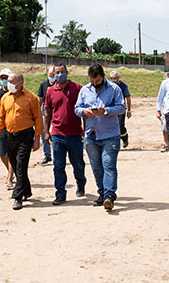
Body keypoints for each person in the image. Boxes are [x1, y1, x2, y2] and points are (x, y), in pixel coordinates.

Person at [75, 64, 126, 212]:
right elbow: (77, 108)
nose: (95, 84)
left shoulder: (114, 89)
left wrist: (106, 111)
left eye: (97, 81)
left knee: (108, 165)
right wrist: (84, 111)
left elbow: (121, 108)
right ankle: (102, 193)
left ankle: (109, 195)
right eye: (92, 81)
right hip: (91, 135)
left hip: (110, 135)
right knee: (96, 167)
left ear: (103, 77)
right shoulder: (84, 90)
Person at [0, 73, 43, 210]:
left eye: (11, 82)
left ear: (20, 83)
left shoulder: (30, 98)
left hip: (26, 135)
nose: (8, 84)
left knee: (21, 164)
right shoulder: (5, 98)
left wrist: (37, 139)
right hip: (10, 135)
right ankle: (26, 190)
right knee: (14, 165)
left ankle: (18, 196)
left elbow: (38, 118)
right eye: (7, 81)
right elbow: (0, 117)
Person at [45, 63, 87, 204]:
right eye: (56, 72)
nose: (59, 74)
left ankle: (81, 184)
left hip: (75, 134)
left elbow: (84, 112)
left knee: (78, 164)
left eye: (62, 71)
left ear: (67, 72)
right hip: (57, 135)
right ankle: (60, 194)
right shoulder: (51, 91)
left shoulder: (77, 88)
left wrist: (85, 131)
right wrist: (46, 132)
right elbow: (48, 113)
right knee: (58, 165)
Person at [0, 68, 14, 189]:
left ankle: (9, 177)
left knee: (11, 153)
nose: (4, 80)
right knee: (2, 153)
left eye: (6, 78)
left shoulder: (13, 91)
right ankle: (11, 170)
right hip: (0, 127)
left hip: (11, 127)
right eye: (2, 78)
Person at [37, 67, 56, 164]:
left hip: (57, 113)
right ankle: (47, 155)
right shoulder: (43, 84)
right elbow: (40, 99)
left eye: (53, 75)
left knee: (56, 134)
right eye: (50, 75)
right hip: (45, 112)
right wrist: (37, 113)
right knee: (44, 133)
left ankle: (58, 153)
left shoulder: (59, 84)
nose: (52, 77)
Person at [109, 70, 132, 148]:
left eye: (116, 77)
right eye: (113, 78)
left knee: (120, 125)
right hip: (111, 109)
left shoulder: (123, 86)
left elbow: (128, 98)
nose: (115, 79)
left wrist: (129, 110)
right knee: (112, 126)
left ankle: (125, 139)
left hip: (121, 109)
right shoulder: (108, 86)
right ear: (110, 78)